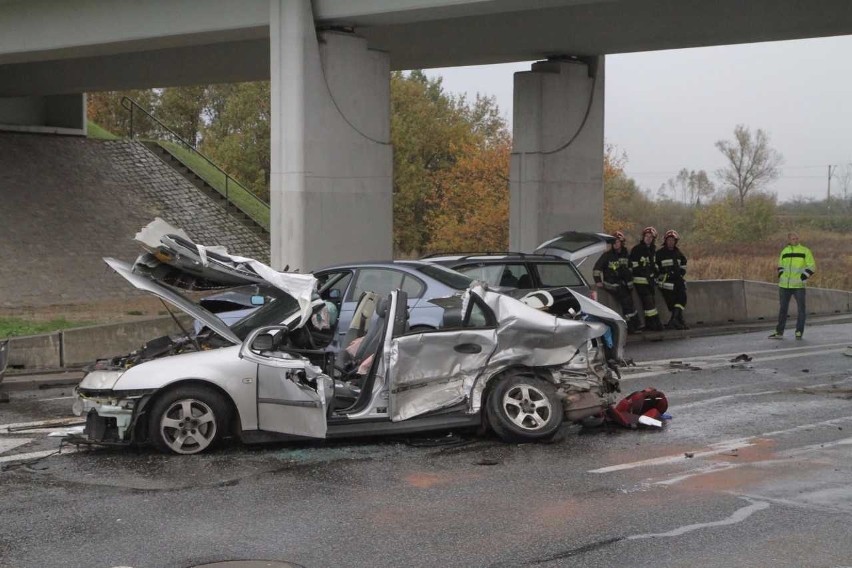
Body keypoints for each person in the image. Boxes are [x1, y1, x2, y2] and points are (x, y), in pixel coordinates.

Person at [769, 231, 816, 340]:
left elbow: (812, 266)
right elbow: (780, 265)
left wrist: (803, 277)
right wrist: (781, 274)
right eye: (793, 238)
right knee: (783, 309)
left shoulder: (805, 251)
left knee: (801, 310)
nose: (795, 240)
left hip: (798, 286)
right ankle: (779, 332)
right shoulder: (784, 251)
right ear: (789, 240)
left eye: (797, 238)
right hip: (784, 285)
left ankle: (799, 332)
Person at [593, 231, 640, 333]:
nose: (615, 244)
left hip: (625, 284)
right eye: (614, 242)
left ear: (622, 243)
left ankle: (635, 325)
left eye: (617, 242)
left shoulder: (625, 254)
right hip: (612, 284)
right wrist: (598, 281)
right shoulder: (607, 256)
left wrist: (629, 282)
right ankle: (631, 327)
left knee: (630, 304)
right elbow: (597, 269)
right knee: (627, 302)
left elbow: (630, 269)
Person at [629, 226, 664, 331]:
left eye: (650, 237)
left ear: (653, 239)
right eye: (646, 236)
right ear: (643, 237)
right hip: (640, 281)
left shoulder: (652, 250)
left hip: (650, 282)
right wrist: (644, 273)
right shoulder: (637, 249)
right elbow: (634, 265)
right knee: (649, 302)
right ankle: (656, 323)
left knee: (650, 303)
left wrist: (657, 274)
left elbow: (654, 266)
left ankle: (650, 324)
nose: (648, 238)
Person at [655, 229, 688, 330]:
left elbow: (683, 264)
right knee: (672, 303)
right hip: (666, 283)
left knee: (682, 299)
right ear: (665, 241)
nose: (671, 242)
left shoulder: (678, 253)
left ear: (675, 241)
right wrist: (664, 274)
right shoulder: (659, 253)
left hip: (678, 282)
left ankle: (674, 321)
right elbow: (655, 268)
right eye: (669, 240)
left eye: (673, 240)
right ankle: (677, 321)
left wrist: (681, 273)